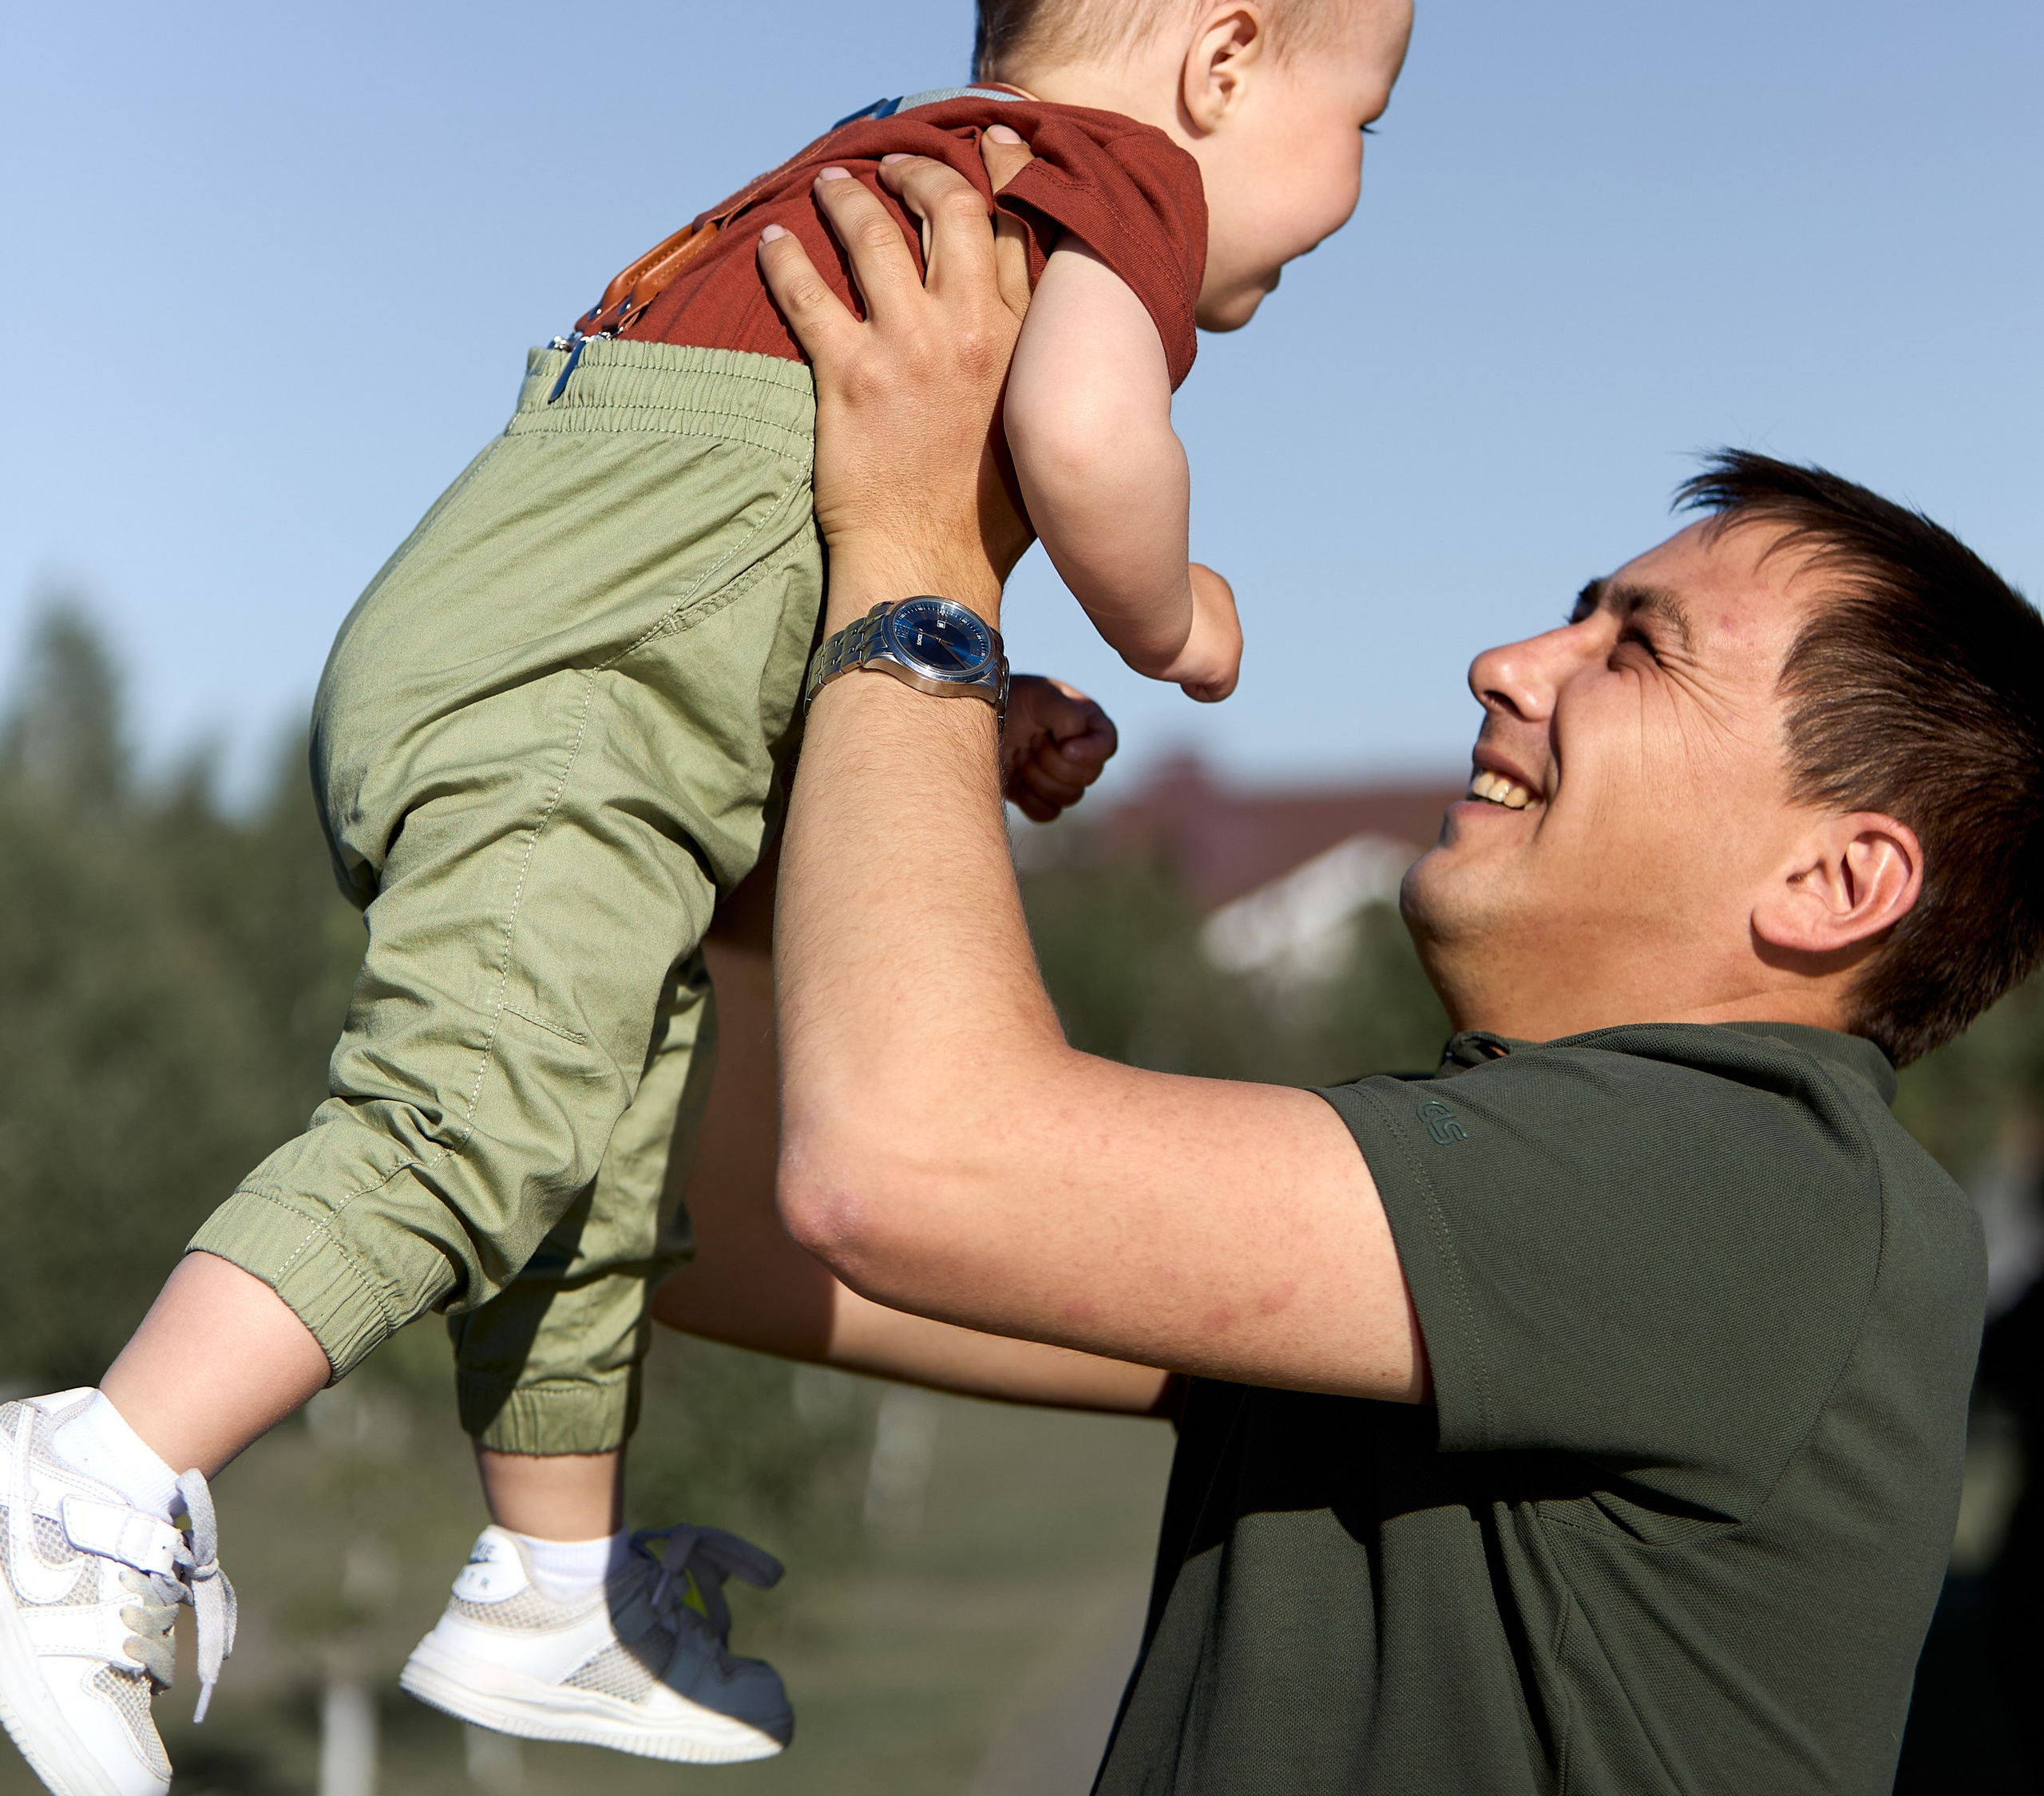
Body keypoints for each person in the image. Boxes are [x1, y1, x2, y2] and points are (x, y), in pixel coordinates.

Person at [0, 0, 1413, 1796]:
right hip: (572, 701)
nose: (1361, 182)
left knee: (601, 1133)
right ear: (1220, 59)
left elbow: (789, 534)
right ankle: (84, 1482)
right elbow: (1095, 438)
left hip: (581, 670)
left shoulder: (900, 175)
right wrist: (1171, 612)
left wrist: (976, 705)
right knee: (470, 1117)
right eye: (1364, 121)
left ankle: (545, 1587)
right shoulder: (1109, 176)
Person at [646, 140, 2044, 1796]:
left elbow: (901, 1172)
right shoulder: (1524, 1190)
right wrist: (792, 803)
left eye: (1635, 648)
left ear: (1833, 879)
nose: (1505, 662)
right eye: (1572, 613)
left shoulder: (1762, 1184)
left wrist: (915, 564)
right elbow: (723, 1230)